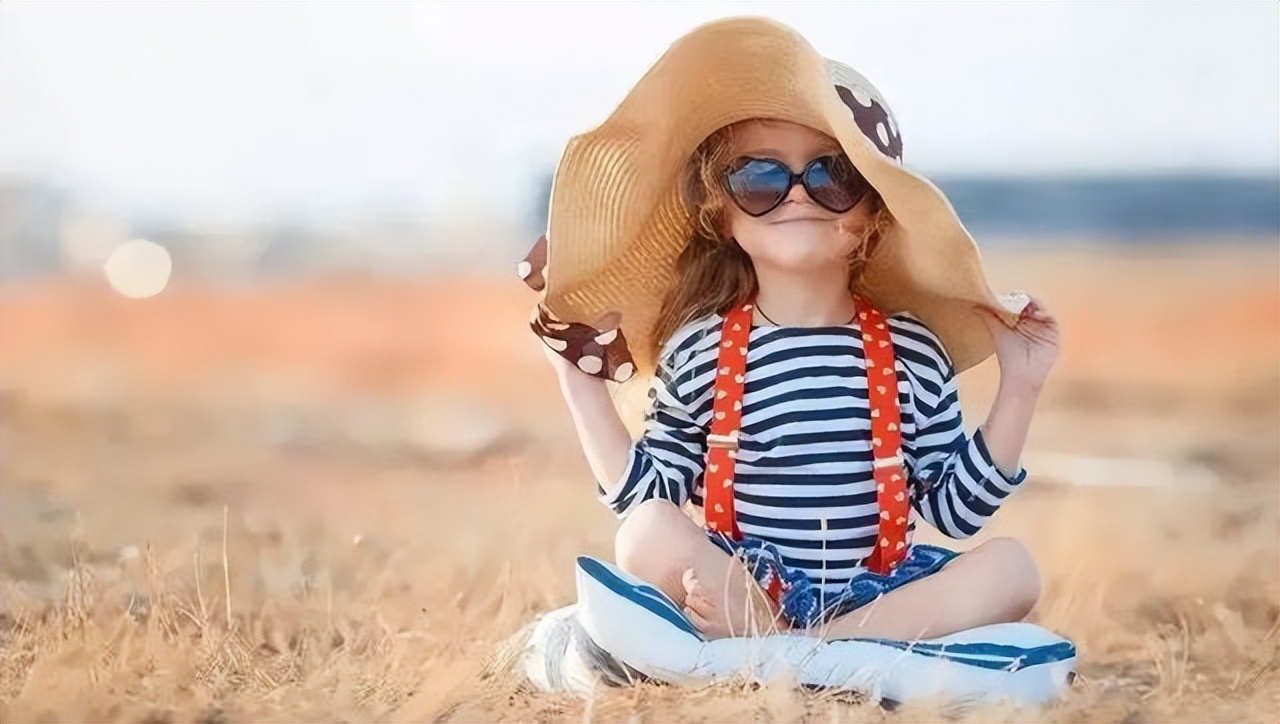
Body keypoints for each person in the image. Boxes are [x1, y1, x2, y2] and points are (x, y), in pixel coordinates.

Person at [518, 17, 1059, 642]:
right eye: (760, 178)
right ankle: (807, 647)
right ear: (721, 215)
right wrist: (576, 379)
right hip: (743, 592)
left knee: (1014, 569)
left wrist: (1020, 386)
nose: (798, 194)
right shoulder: (699, 351)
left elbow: (956, 513)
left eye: (833, 176)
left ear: (873, 215)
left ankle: (800, 650)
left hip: (880, 596)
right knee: (642, 534)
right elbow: (650, 495)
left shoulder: (912, 350)